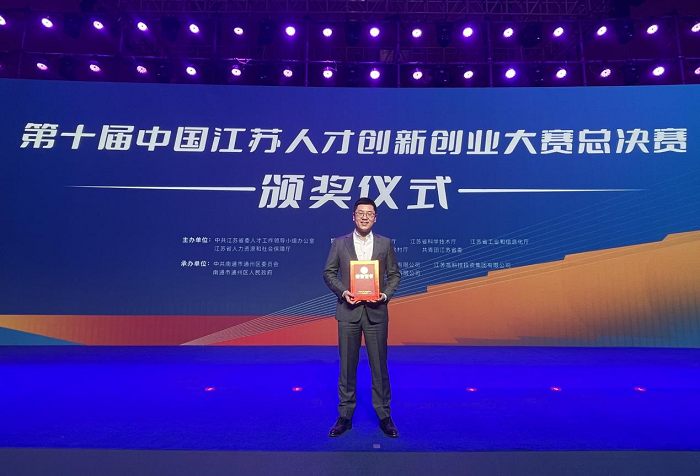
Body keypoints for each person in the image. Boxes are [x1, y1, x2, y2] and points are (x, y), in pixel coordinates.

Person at [323, 197, 401, 438]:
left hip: (376, 313)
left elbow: (395, 275)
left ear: (375, 218)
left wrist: (384, 295)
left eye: (369, 213)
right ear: (353, 216)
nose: (364, 217)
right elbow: (329, 273)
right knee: (347, 366)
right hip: (348, 312)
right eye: (360, 213)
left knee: (379, 366)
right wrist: (343, 292)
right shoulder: (340, 243)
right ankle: (345, 416)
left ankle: (384, 415)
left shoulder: (385, 243)